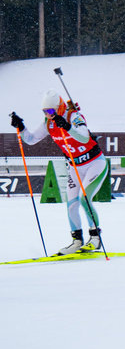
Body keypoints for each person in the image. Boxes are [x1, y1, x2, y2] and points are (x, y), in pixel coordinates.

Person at [10, 91, 107, 255]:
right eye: (44, 112)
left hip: (94, 163)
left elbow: (84, 138)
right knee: (71, 204)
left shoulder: (73, 116)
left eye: (50, 111)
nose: (48, 115)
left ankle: (95, 239)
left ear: (60, 107)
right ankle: (77, 241)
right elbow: (31, 139)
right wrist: (21, 127)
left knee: (84, 199)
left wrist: (67, 127)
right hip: (75, 167)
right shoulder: (49, 123)